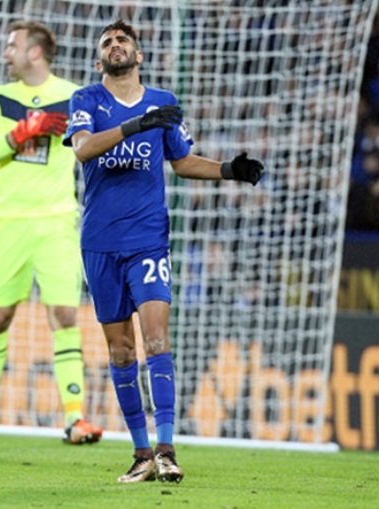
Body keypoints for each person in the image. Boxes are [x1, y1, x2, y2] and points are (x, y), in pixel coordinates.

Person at [63, 20, 263, 483]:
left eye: (123, 40)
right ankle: (141, 455)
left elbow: (182, 160)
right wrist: (135, 126)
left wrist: (229, 170)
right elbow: (83, 149)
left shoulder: (163, 102)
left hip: (148, 239)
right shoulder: (85, 99)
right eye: (107, 42)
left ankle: (167, 449)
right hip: (99, 243)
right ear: (99, 60)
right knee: (120, 350)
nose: (115, 45)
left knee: (156, 339)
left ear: (139, 55)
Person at [0, 20, 102, 445]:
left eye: (13, 45)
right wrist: (21, 131)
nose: (6, 52)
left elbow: (93, 144)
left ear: (34, 52)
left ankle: (75, 418)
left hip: (57, 222)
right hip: (9, 223)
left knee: (65, 314)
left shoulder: (74, 96)